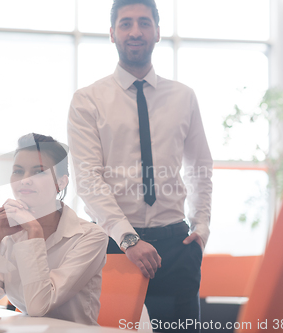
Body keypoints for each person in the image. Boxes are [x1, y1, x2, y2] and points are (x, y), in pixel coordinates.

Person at [67, 0, 213, 331]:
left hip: (177, 247)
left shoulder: (184, 97)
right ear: (112, 34)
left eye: (145, 23)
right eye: (126, 23)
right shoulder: (88, 99)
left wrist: (201, 226)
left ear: (158, 32)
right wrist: (128, 239)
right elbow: (89, 179)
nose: (136, 31)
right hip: (113, 248)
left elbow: (200, 166)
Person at [0, 133, 108, 326]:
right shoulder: (9, 235)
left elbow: (39, 306)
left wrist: (34, 232)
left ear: (61, 183)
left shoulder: (90, 236)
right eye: (18, 171)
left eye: (39, 172)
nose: (25, 180)